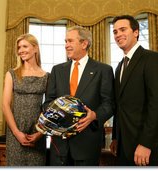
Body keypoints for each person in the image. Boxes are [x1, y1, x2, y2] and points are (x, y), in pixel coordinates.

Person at [43, 25, 115, 166]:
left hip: (87, 143)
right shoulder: (57, 70)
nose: (66, 45)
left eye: (70, 41)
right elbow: (48, 102)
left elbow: (109, 104)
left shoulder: (103, 70)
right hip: (59, 145)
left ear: (84, 43)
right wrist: (57, 115)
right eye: (65, 41)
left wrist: (94, 115)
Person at [110, 15, 158, 166]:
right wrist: (116, 138)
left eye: (123, 29)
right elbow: (120, 106)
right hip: (123, 147)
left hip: (145, 148)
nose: (118, 35)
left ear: (136, 32)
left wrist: (146, 143)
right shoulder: (119, 67)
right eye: (115, 32)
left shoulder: (152, 59)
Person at [2, 33, 49, 166]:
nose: (21, 50)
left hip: (37, 133)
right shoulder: (12, 74)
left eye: (25, 46)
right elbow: (5, 105)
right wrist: (17, 133)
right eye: (19, 47)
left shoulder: (47, 76)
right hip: (15, 133)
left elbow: (50, 109)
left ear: (35, 48)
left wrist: (39, 134)